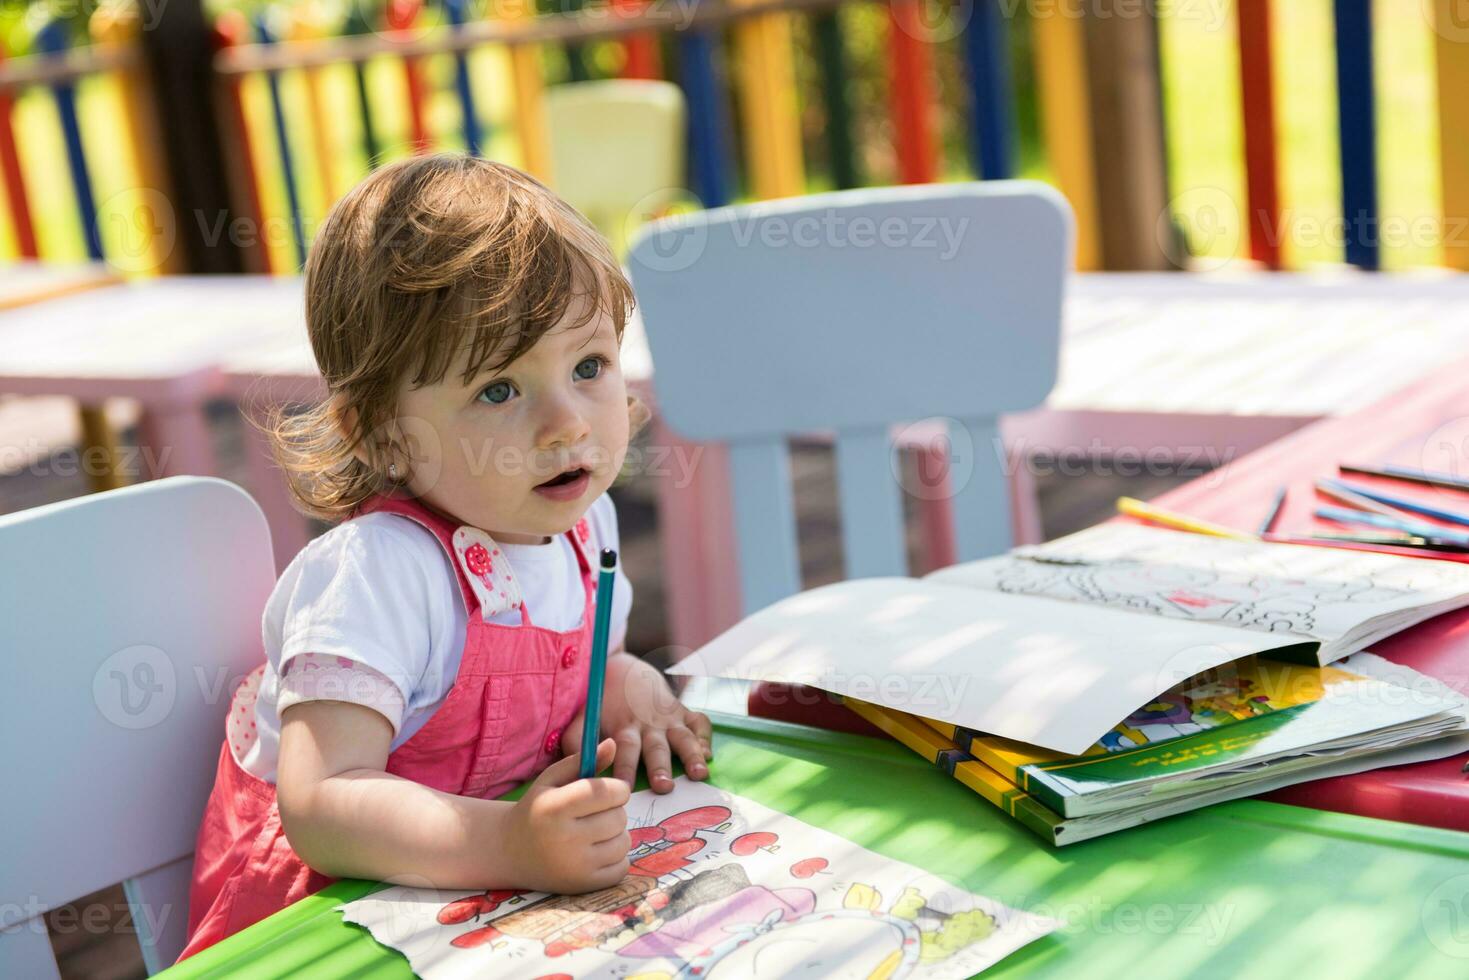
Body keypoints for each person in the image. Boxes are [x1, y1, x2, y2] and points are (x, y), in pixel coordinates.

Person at [177, 154, 712, 960]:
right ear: (381, 432)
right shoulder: (376, 574)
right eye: (499, 389)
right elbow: (323, 806)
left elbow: (584, 666)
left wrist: (628, 689)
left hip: (479, 916)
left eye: (589, 366)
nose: (567, 423)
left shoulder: (583, 528)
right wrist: (512, 846)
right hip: (322, 927)